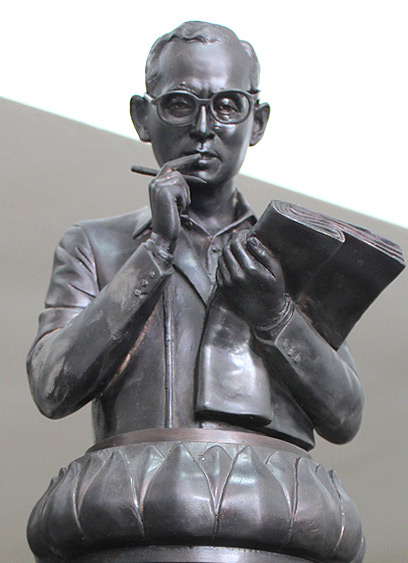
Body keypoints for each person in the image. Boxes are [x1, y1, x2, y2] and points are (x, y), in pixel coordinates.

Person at [27, 22, 365, 562]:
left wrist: (274, 315)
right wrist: (155, 250)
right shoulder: (94, 244)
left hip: (274, 510)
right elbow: (52, 385)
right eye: (180, 105)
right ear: (143, 116)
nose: (204, 129)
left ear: (258, 121)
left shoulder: (293, 251)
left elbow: (345, 414)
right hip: (137, 506)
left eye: (228, 106)